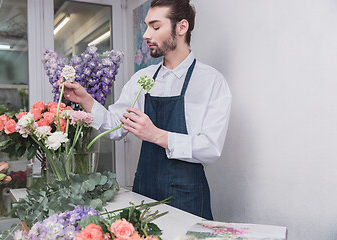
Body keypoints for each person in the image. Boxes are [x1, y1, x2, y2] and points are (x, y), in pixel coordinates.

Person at [59, 0, 231, 220]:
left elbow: (211, 147)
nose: (146, 35)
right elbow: (114, 127)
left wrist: (156, 135)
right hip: (144, 193)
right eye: (147, 26)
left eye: (156, 27)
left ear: (181, 27)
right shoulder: (143, 78)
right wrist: (86, 100)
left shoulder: (211, 81)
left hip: (188, 197)